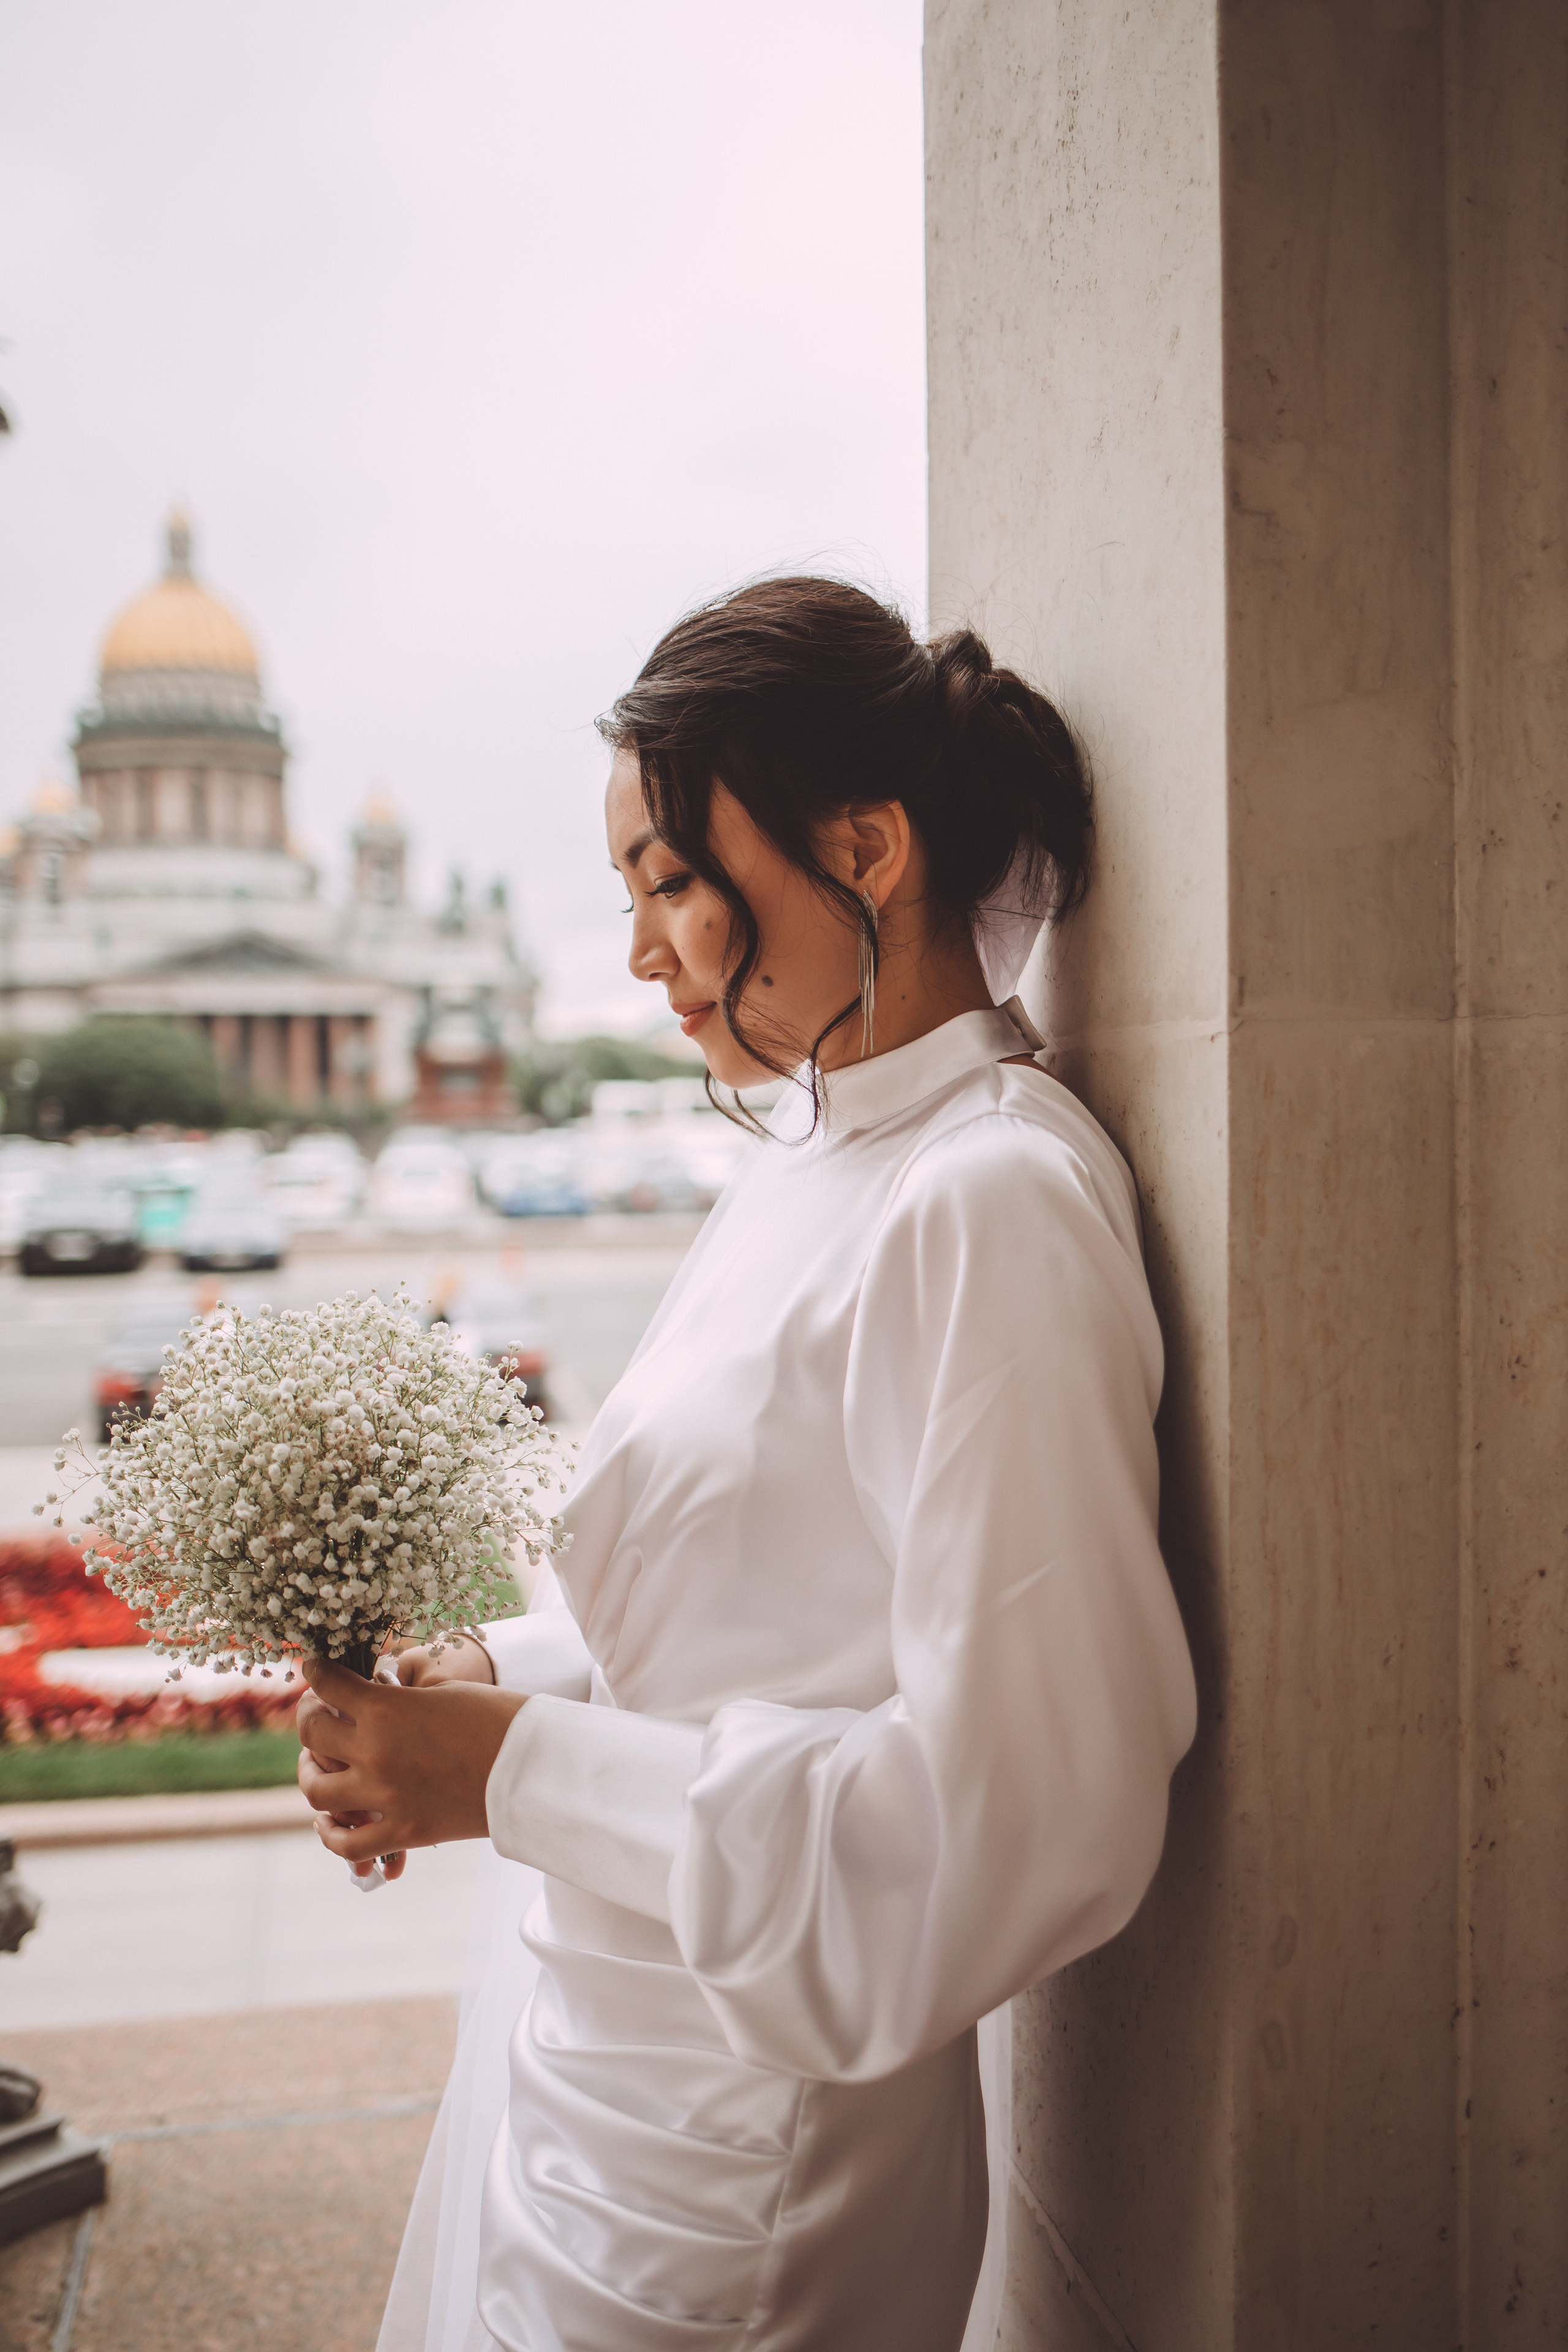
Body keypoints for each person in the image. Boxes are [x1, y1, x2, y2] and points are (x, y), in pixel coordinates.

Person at [298, 579, 1197, 2352]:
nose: (642, 952)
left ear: (866, 849)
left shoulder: (989, 1198)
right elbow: (766, 1617)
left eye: (668, 882)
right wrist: (505, 1677)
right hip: (598, 2071)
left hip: (752, 2179)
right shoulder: (807, 1154)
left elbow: (1029, 1816)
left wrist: (524, 1773)